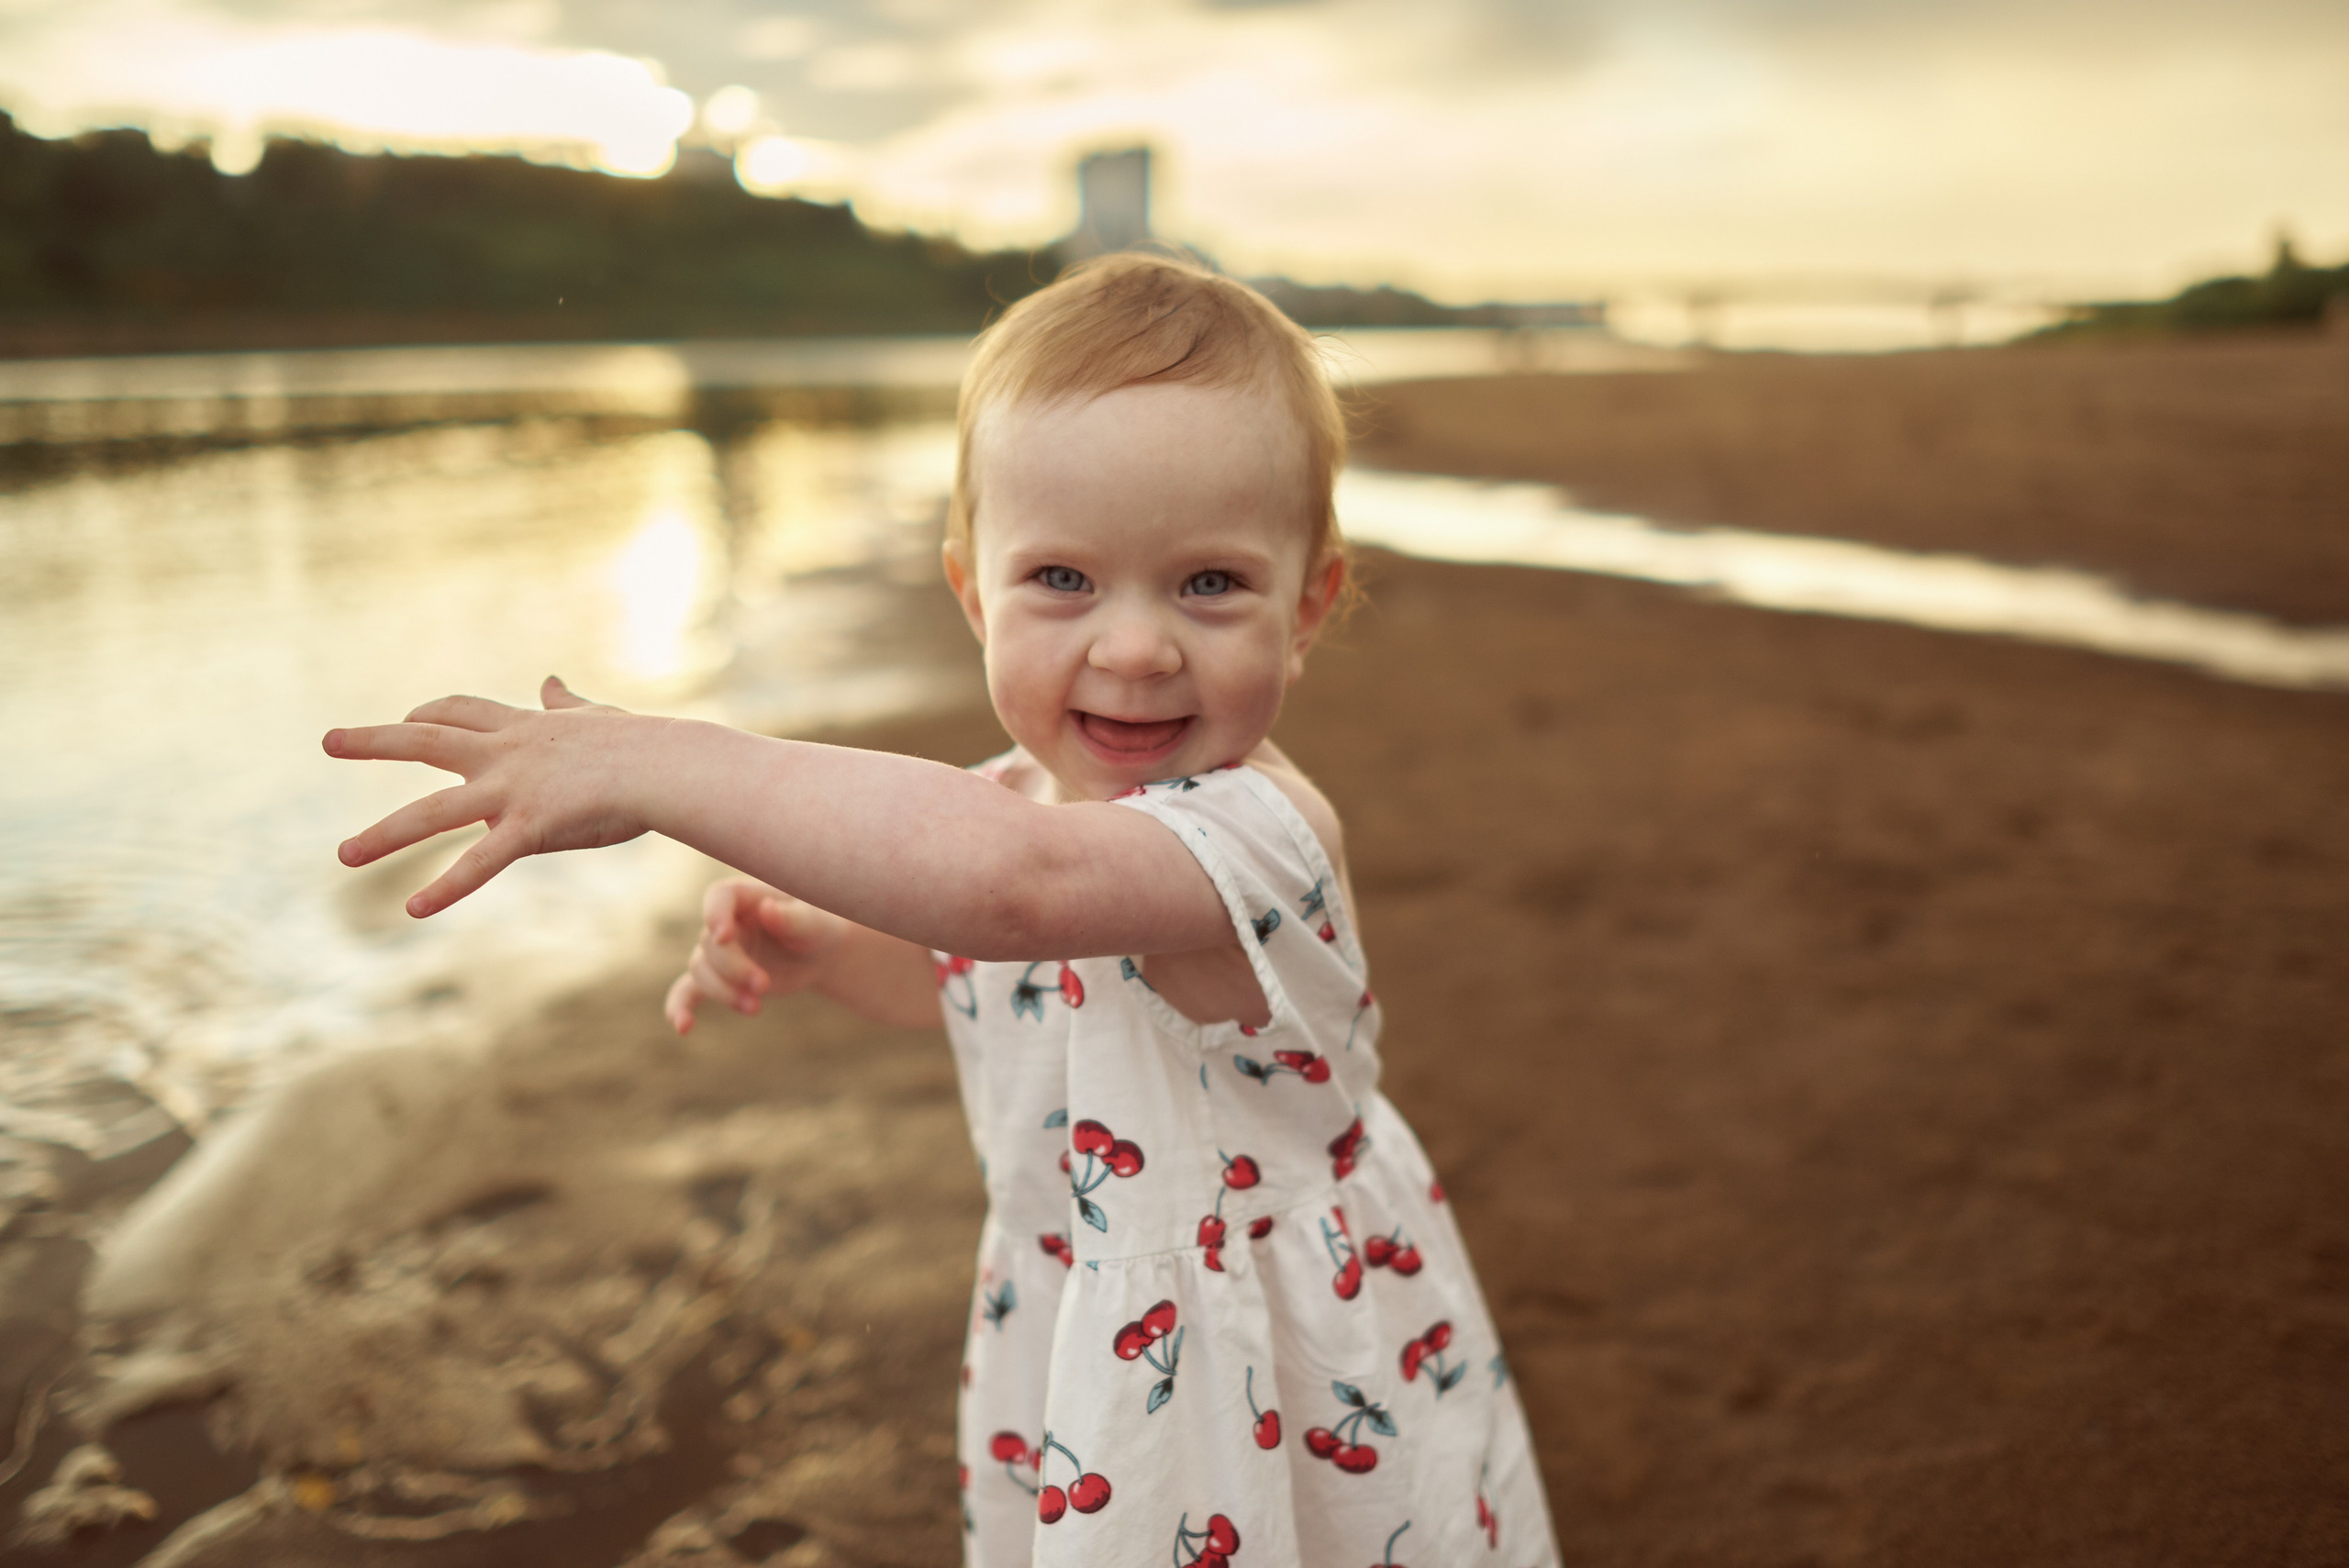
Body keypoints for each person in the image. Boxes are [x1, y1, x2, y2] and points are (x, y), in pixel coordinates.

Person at [324, 252, 1558, 1567]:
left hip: (1280, 1351)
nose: (1135, 647)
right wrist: (831, 951)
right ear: (975, 593)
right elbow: (971, 974)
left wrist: (656, 763)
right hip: (1080, 1311)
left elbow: (1016, 890)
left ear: (1308, 605)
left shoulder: (1259, 834)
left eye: (1209, 584)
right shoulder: (1006, 799)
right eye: (1065, 581)